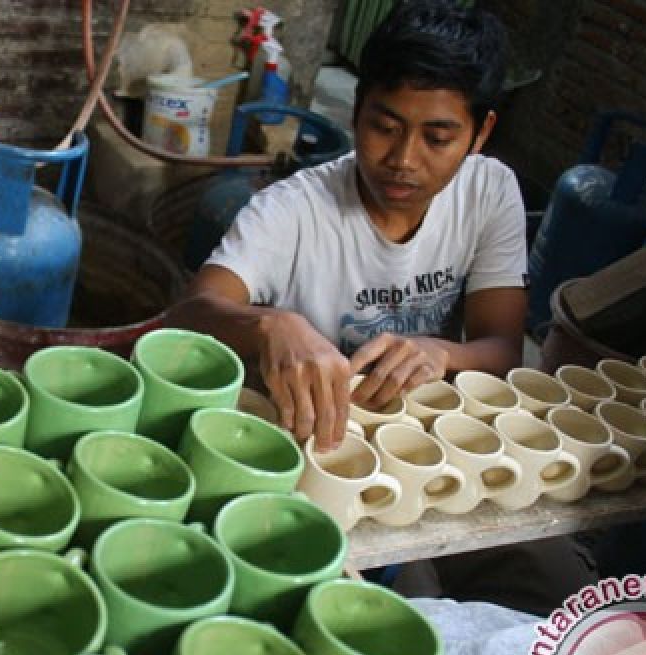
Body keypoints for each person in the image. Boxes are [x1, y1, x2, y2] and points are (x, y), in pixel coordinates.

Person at [166, 0, 595, 614]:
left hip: (425, 449)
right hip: (316, 456)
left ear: (481, 133)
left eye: (438, 137)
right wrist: (269, 325)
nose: (402, 159)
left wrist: (441, 353)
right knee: (388, 606)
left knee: (555, 587)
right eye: (384, 126)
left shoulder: (490, 192)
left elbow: (502, 350)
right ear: (357, 108)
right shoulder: (294, 209)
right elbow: (189, 313)